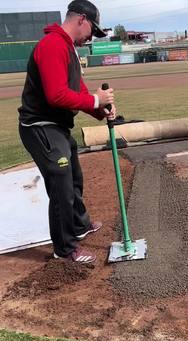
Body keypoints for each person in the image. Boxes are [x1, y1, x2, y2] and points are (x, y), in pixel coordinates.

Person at [18, 0, 116, 264]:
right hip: (39, 127)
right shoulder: (52, 45)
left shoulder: (69, 49)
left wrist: (100, 110)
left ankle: (79, 224)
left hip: (57, 127)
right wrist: (96, 100)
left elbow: (78, 91)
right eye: (92, 30)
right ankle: (65, 248)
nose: (91, 37)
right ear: (81, 19)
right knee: (61, 185)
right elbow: (56, 95)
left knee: (73, 178)